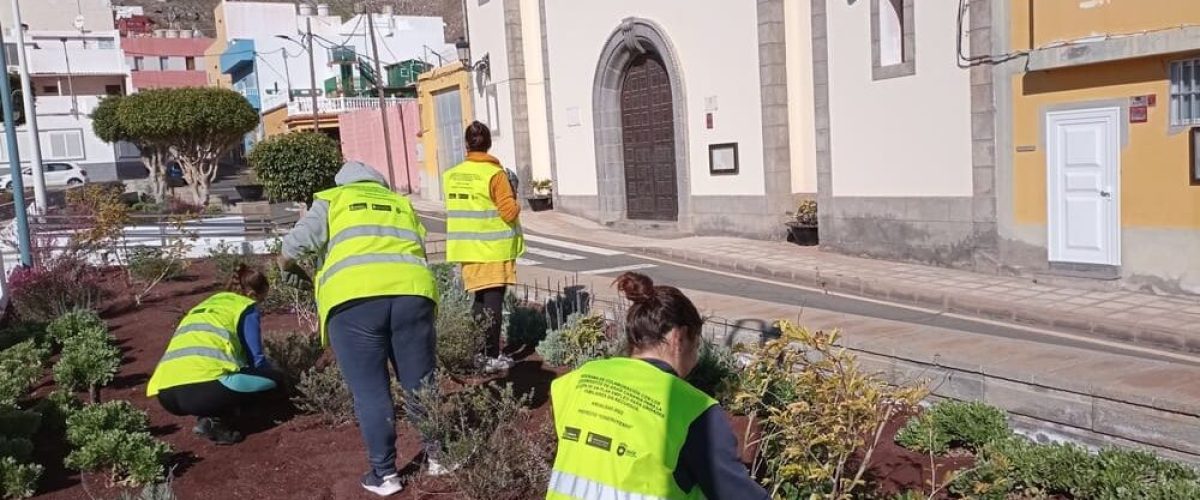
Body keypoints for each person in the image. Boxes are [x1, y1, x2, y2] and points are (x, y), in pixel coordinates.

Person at [278, 160, 441, 497]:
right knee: (420, 383)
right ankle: (438, 456)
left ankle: (384, 474)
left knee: (371, 391)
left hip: (354, 303)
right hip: (413, 294)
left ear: (343, 182)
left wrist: (287, 270)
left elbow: (293, 247)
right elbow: (418, 249)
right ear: (379, 182)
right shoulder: (400, 203)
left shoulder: (333, 200)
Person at [547, 272, 769, 500]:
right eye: (696, 345)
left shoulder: (579, 380)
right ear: (678, 338)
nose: (695, 359)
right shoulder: (696, 411)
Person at [146, 264, 283, 446]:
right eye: (261, 299)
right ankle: (226, 424)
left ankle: (210, 420)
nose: (259, 305)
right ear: (251, 295)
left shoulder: (205, 306)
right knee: (272, 380)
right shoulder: (245, 307)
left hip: (167, 394)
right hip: (204, 391)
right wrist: (279, 378)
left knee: (226, 376)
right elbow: (256, 359)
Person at [443, 121, 525, 373]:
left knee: (479, 302)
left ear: (467, 145)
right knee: (493, 304)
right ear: (488, 143)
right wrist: (514, 193)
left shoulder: (452, 175)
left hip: (468, 249)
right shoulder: (495, 175)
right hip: (492, 248)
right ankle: (491, 356)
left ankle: (480, 352)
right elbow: (508, 211)